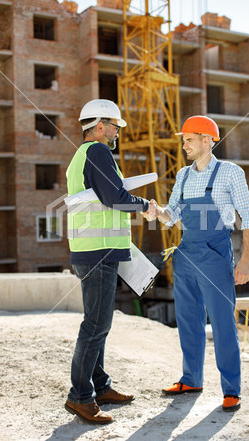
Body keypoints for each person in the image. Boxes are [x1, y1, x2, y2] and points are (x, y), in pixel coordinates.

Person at [143, 115, 249, 412]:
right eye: (184, 141)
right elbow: (174, 215)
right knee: (188, 322)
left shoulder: (230, 172)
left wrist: (244, 260)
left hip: (216, 255)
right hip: (186, 254)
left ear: (208, 140)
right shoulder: (182, 175)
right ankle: (191, 378)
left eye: (189, 140)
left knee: (222, 324)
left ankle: (231, 389)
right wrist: (157, 213)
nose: (184, 146)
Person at [65, 99, 155, 424]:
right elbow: (114, 197)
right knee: (96, 325)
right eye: (115, 126)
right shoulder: (98, 151)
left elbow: (106, 195)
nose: (117, 131)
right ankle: (79, 397)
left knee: (99, 324)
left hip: (94, 250)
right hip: (98, 252)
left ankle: (99, 386)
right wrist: (145, 205)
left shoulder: (81, 157)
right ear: (100, 125)